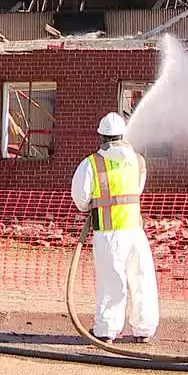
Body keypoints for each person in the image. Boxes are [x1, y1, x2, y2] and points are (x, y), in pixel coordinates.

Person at [70, 112, 159, 344]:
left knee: (112, 282)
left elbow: (80, 199)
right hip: (135, 233)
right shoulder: (138, 161)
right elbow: (136, 191)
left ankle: (106, 331)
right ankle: (144, 329)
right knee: (141, 279)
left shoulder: (92, 163)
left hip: (108, 235)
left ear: (101, 137)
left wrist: (93, 204)